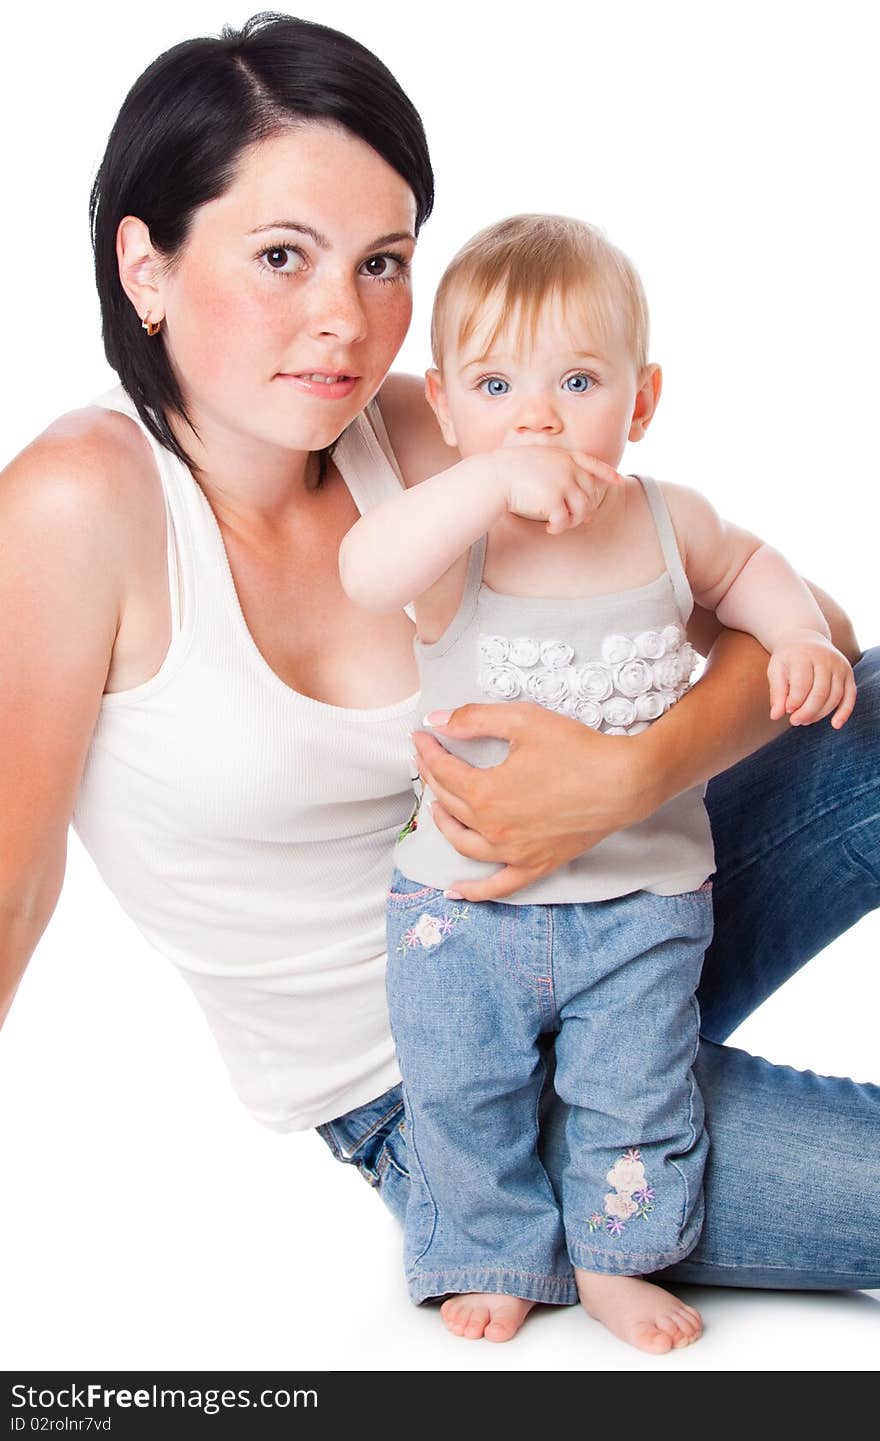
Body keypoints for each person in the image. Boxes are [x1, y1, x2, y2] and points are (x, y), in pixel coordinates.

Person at [0, 13, 877, 1352]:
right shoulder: (81, 504)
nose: (344, 320)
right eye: (282, 257)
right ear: (147, 264)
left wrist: (631, 774)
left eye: (384, 261)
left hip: (640, 905)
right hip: (447, 1082)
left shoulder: (412, 429)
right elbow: (11, 881)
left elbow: (811, 634)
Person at [338, 213, 857, 1352]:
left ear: (642, 397)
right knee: (462, 1092)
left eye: (576, 379)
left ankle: (622, 1256)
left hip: (642, 903)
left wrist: (798, 637)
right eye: (495, 383)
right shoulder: (453, 543)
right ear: (444, 404)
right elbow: (365, 572)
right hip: (462, 915)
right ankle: (489, 1249)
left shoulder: (669, 521)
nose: (536, 414)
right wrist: (485, 487)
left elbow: (760, 576)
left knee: (638, 1090)